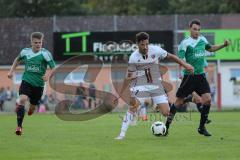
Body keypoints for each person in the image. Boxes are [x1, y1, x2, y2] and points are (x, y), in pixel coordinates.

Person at [115, 32, 194, 140]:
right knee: (133, 107)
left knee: (167, 113)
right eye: (142, 45)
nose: (145, 47)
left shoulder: (156, 50)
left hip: (156, 85)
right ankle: (122, 134)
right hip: (141, 85)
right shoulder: (133, 57)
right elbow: (129, 76)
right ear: (137, 44)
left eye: (147, 44)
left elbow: (171, 56)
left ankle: (183, 100)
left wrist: (185, 64)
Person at [165, 19, 230, 137]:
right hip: (189, 77)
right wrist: (186, 65)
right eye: (195, 29)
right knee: (178, 103)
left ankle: (201, 127)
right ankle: (166, 126)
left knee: (208, 99)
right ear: (190, 28)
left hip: (200, 76)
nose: (197, 32)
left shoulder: (202, 39)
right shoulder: (185, 43)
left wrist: (223, 45)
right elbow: (180, 58)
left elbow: (210, 48)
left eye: (199, 30)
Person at [7, 32, 56, 135]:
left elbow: (53, 67)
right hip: (27, 81)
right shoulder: (25, 52)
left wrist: (48, 76)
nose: (38, 44)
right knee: (22, 99)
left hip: (38, 85)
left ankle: (31, 109)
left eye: (40, 42)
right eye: (36, 42)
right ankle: (19, 127)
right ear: (31, 43)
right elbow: (17, 59)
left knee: (32, 106)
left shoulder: (45, 54)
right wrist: (11, 71)